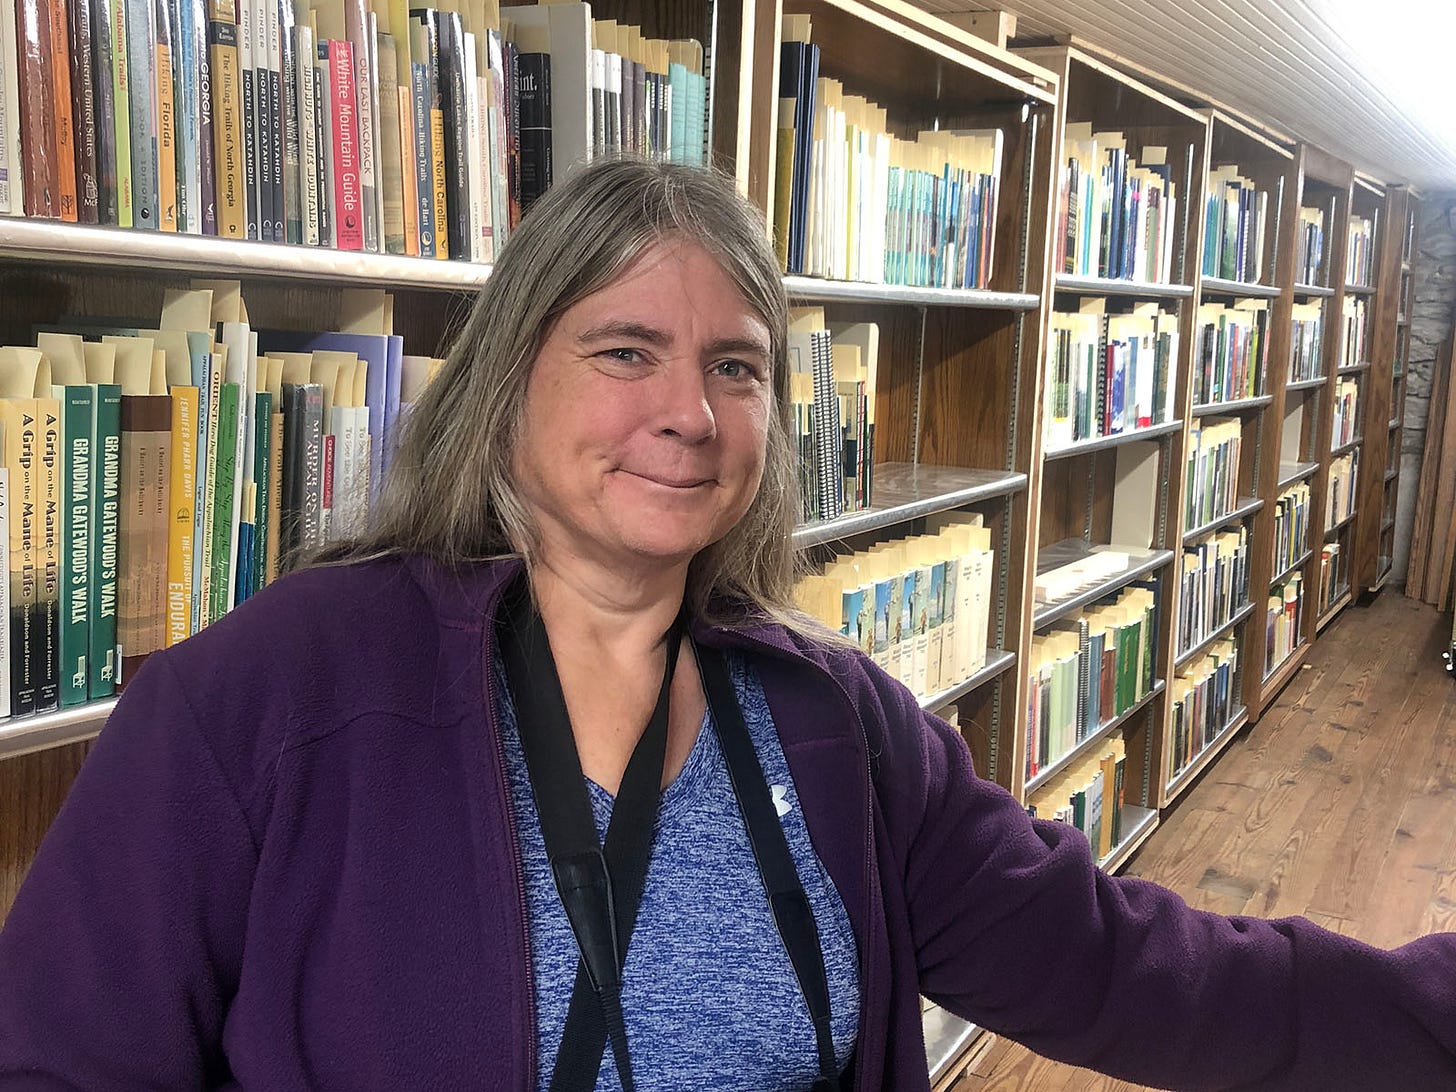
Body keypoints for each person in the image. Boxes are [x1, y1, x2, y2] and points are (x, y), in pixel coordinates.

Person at [0, 158, 1453, 1092]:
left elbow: (1120, 964)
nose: (691, 414)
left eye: (739, 367)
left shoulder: (841, 726)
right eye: (626, 352)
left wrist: (1428, 1008)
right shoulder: (263, 701)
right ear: (508, 381)